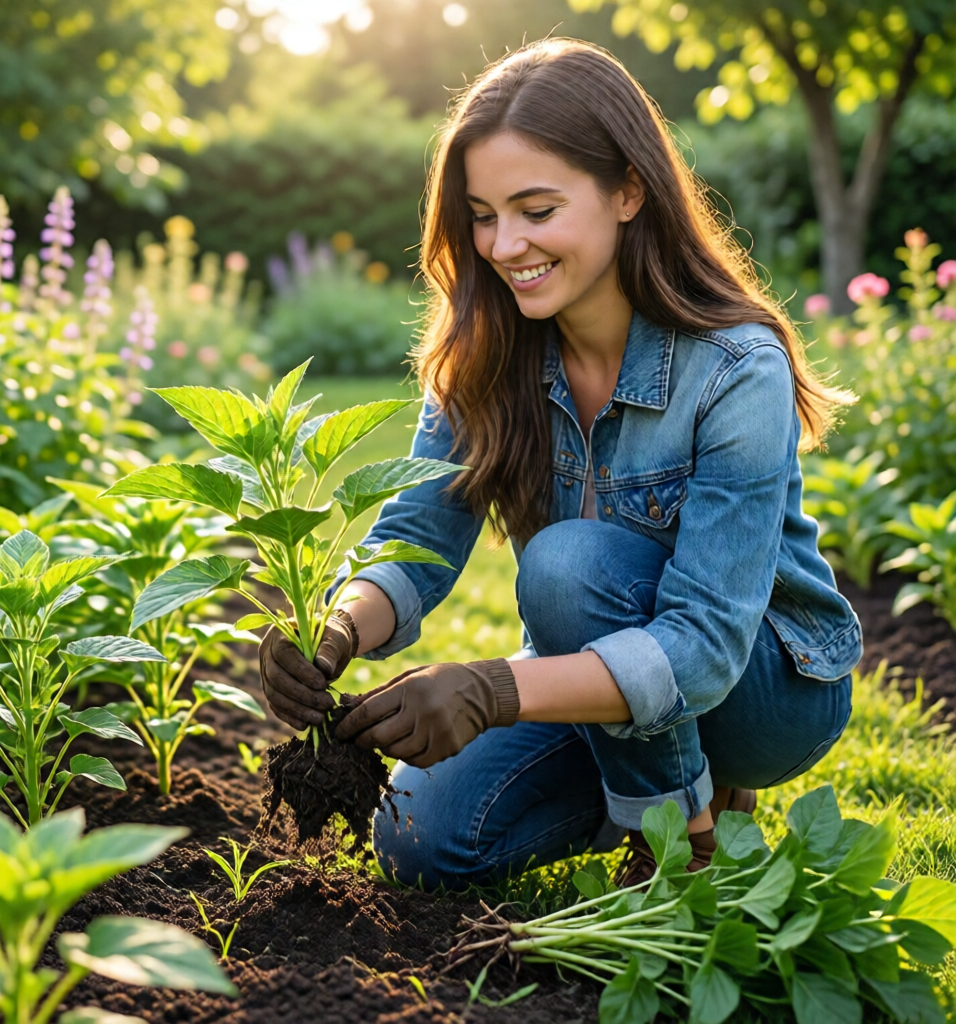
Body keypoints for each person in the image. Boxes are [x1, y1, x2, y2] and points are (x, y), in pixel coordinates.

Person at [259, 37, 861, 890]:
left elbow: (704, 646)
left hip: (759, 692)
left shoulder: (734, 367)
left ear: (627, 190)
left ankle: (681, 839)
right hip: (601, 682)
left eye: (536, 210)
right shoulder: (486, 352)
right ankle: (649, 786)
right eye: (482, 214)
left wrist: (495, 690)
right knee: (421, 841)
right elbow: (418, 538)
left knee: (569, 566)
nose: (504, 245)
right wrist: (337, 627)